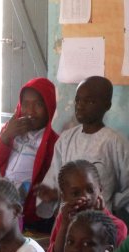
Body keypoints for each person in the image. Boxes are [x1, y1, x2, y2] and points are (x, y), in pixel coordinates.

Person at [36, 76, 129, 221]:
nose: (80, 105)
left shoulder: (115, 143)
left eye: (89, 101)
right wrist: (53, 194)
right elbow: (54, 179)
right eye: (77, 100)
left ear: (107, 105)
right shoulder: (65, 140)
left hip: (99, 224)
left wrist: (111, 201)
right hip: (67, 222)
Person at [0, 77, 58, 228]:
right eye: (25, 104)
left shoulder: (54, 142)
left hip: (27, 211)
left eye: (38, 104)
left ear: (49, 107)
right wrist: (6, 136)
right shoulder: (10, 130)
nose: (30, 112)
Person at [47, 160, 127, 252]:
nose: (85, 197)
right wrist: (64, 225)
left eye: (90, 190)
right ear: (64, 197)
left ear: (100, 189)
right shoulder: (65, 218)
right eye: (75, 193)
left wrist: (99, 223)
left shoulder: (116, 226)